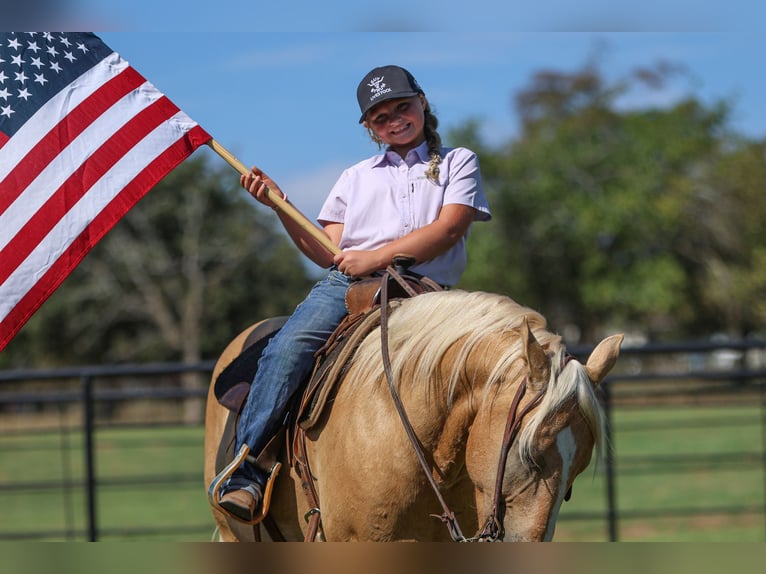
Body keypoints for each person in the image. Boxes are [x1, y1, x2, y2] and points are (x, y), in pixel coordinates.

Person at [215, 64, 492, 523]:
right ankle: (250, 468)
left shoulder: (457, 161)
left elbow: (448, 229)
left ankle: (494, 471)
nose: (394, 120)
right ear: (368, 127)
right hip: (350, 287)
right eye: (380, 116)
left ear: (422, 103)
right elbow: (327, 252)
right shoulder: (355, 176)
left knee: (489, 358)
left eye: (402, 107)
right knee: (289, 349)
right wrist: (279, 207)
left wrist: (377, 256)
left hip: (427, 291)